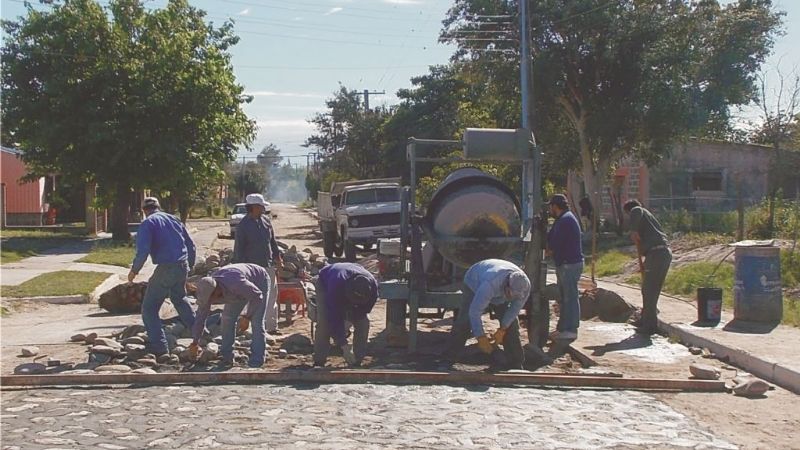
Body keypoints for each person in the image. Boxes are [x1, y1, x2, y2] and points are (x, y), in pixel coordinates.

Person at [128, 197, 196, 356]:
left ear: (144, 210)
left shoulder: (148, 223)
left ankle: (159, 346)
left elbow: (143, 251)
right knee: (180, 299)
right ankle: (200, 334)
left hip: (166, 268)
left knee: (149, 308)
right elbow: (190, 244)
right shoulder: (173, 219)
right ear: (159, 207)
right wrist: (190, 266)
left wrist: (134, 271)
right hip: (182, 265)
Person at [446, 259, 531, 370]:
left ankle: (515, 363)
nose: (513, 298)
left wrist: (503, 328)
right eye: (511, 294)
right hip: (474, 281)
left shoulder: (525, 287)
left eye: (516, 296)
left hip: (498, 293)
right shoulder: (489, 284)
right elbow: (475, 312)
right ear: (507, 285)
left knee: (512, 325)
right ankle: (450, 356)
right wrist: (480, 336)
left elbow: (514, 310)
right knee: (465, 320)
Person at [190, 263, 271, 367]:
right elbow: (200, 318)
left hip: (259, 282)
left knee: (256, 322)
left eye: (212, 298)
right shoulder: (206, 294)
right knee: (227, 319)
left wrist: (247, 317)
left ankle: (257, 360)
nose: (211, 302)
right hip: (237, 292)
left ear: (216, 290)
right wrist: (195, 342)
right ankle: (227, 357)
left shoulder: (235, 283)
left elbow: (257, 296)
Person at [233, 193, 283, 337]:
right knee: (251, 296)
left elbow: (272, 242)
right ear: (253, 207)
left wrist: (278, 258)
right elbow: (239, 249)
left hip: (267, 265)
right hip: (251, 269)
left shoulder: (266, 221)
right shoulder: (243, 226)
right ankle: (251, 326)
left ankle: (271, 326)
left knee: (272, 295)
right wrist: (239, 269)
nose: (263, 209)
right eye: (261, 206)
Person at [313, 262, 378, 367]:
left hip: (349, 274)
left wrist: (350, 320)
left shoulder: (372, 287)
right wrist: (344, 345)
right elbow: (333, 316)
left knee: (363, 322)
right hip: (325, 283)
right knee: (324, 323)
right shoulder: (336, 286)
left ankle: (357, 360)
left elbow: (364, 310)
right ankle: (319, 360)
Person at [624, 199, 672, 335]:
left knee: (649, 290)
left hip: (657, 253)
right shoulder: (647, 220)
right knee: (648, 289)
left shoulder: (637, 210)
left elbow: (637, 210)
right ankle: (646, 319)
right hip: (658, 254)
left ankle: (649, 326)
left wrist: (633, 230)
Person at [546, 194, 584, 341]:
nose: (550, 209)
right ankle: (562, 328)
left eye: (551, 206)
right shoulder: (561, 220)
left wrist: (546, 252)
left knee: (570, 297)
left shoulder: (565, 220)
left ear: (555, 206)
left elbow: (554, 246)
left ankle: (571, 329)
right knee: (564, 297)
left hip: (570, 264)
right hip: (565, 264)